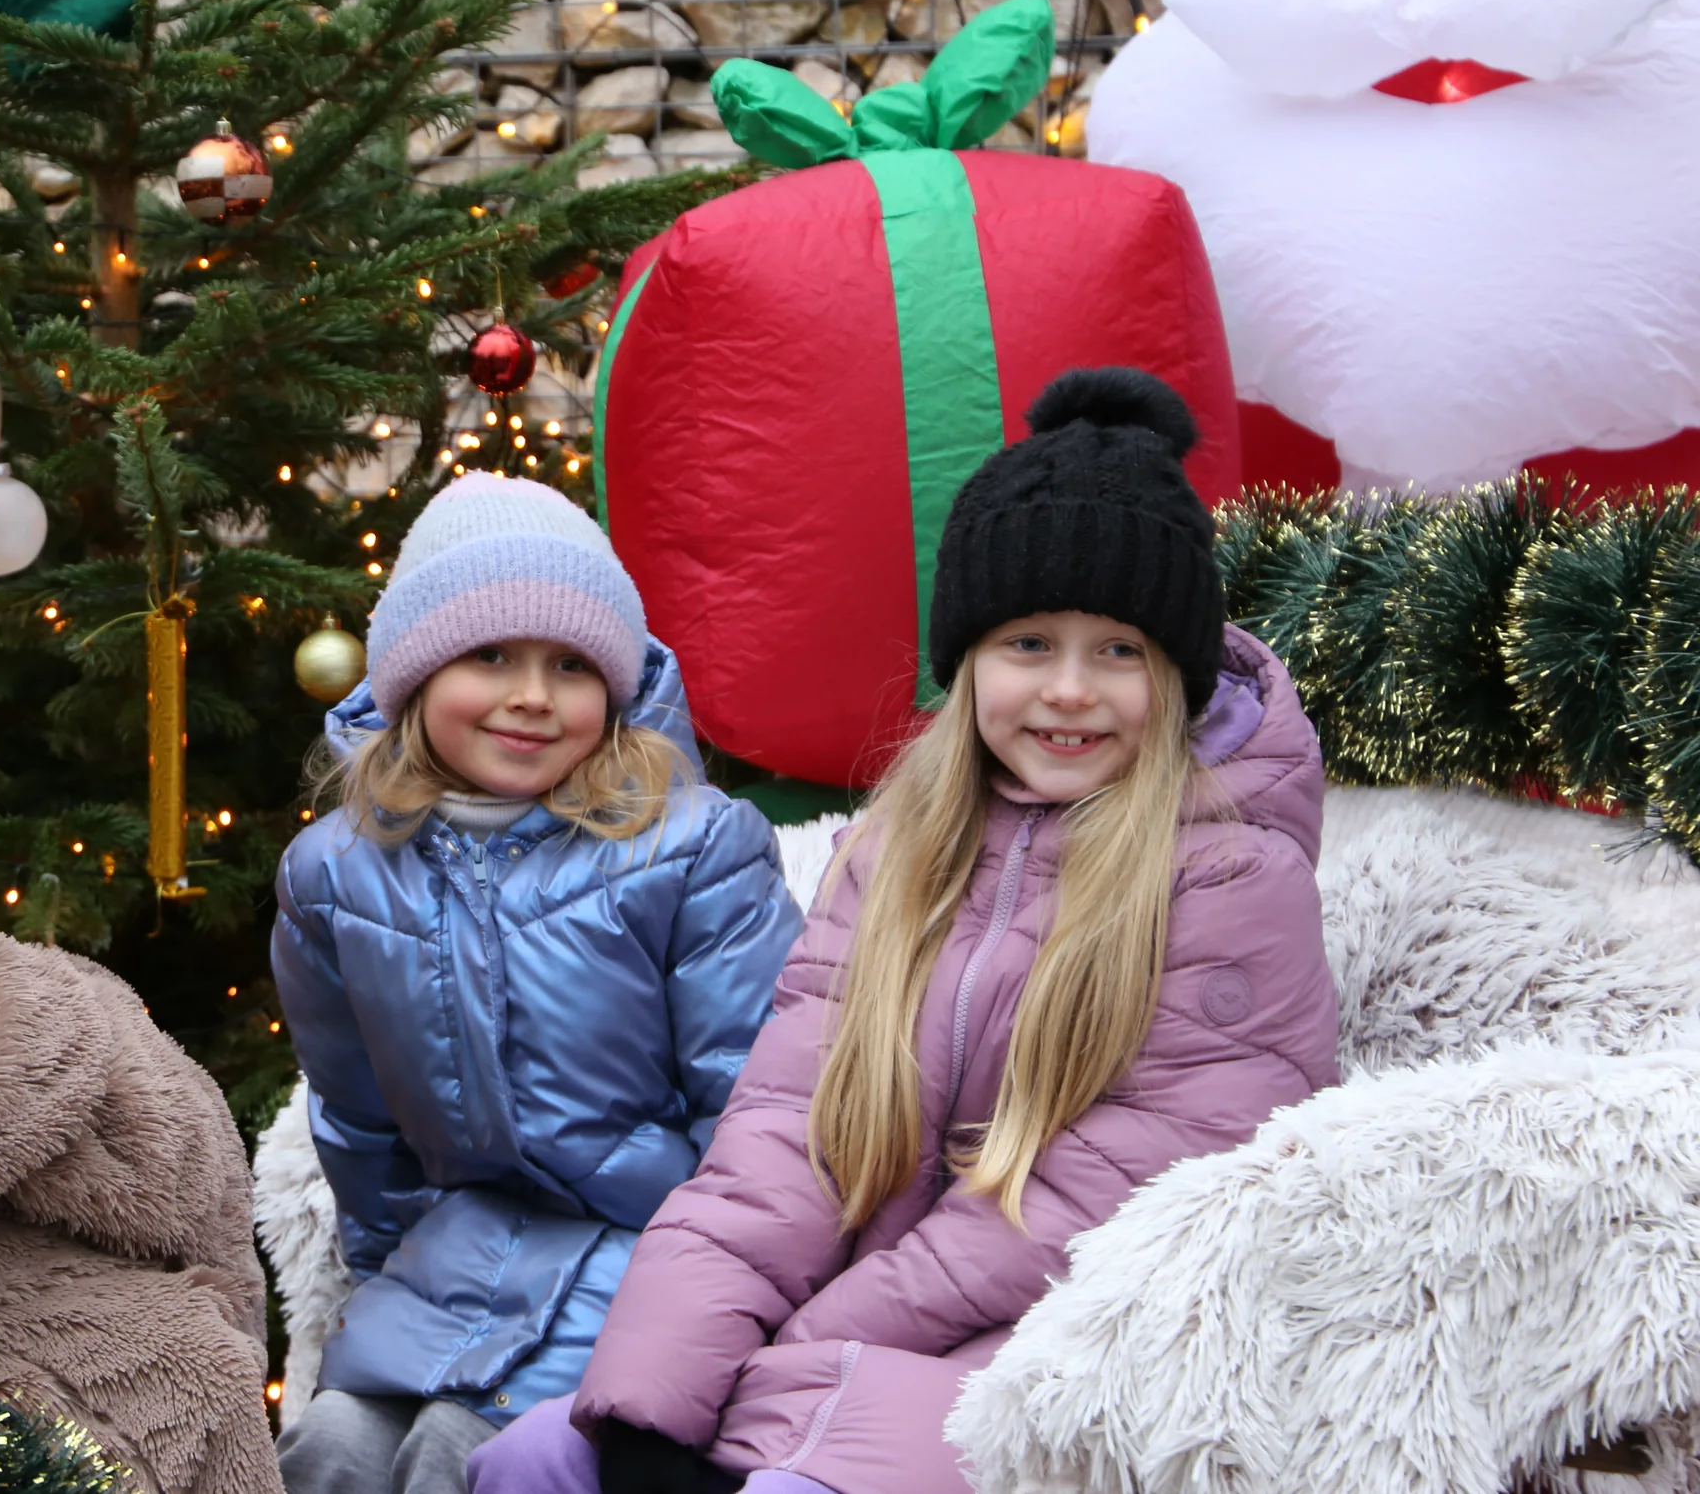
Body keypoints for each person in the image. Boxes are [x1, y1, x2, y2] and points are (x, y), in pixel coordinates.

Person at [469, 367, 1339, 1494]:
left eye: (1118, 651)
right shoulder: (898, 849)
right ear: (968, 661)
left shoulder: (1228, 873)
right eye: (1028, 644)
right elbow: (780, 1145)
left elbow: (1104, 1202)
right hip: (851, 1343)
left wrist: (802, 1352)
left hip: (1067, 1351)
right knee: (537, 1464)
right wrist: (657, 1396)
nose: (1070, 690)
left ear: (1171, 677)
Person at [270, 473, 804, 1494]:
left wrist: (718, 1305)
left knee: (459, 1457)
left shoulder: (691, 850)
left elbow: (756, 1106)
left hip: (651, 1255)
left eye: (570, 664)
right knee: (331, 1446)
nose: (531, 696)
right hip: (454, 1256)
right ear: (415, 677)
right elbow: (358, 1116)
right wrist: (386, 1277)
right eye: (489, 656)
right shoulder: (335, 874)